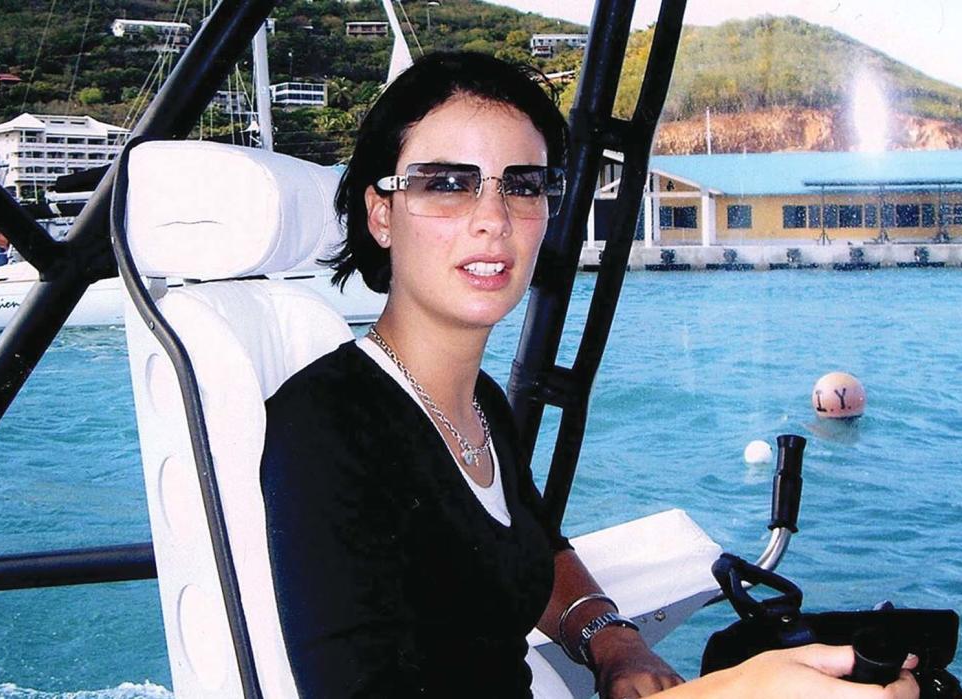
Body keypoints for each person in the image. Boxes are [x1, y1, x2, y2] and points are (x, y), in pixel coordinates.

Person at [260, 51, 918, 699]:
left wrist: (614, 642)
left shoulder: (476, 402)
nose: (493, 218)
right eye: (448, 183)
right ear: (381, 213)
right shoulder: (325, 426)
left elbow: (537, 551)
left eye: (521, 184)